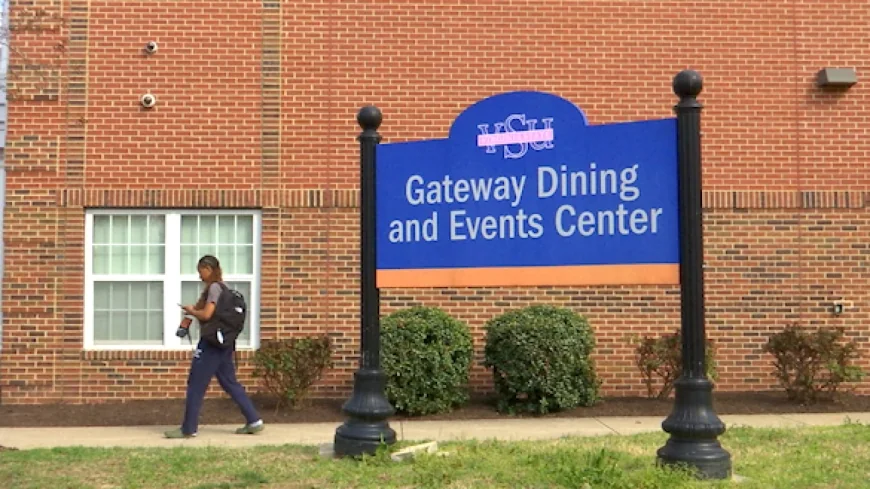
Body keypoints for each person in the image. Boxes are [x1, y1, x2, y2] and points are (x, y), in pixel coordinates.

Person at [164, 255, 265, 439]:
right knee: (230, 383)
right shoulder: (224, 288)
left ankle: (188, 428)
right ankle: (254, 420)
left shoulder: (214, 288)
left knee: (195, 384)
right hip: (224, 344)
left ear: (208, 269)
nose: (199, 276)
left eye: (200, 271)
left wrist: (192, 311)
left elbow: (207, 314)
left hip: (211, 344)